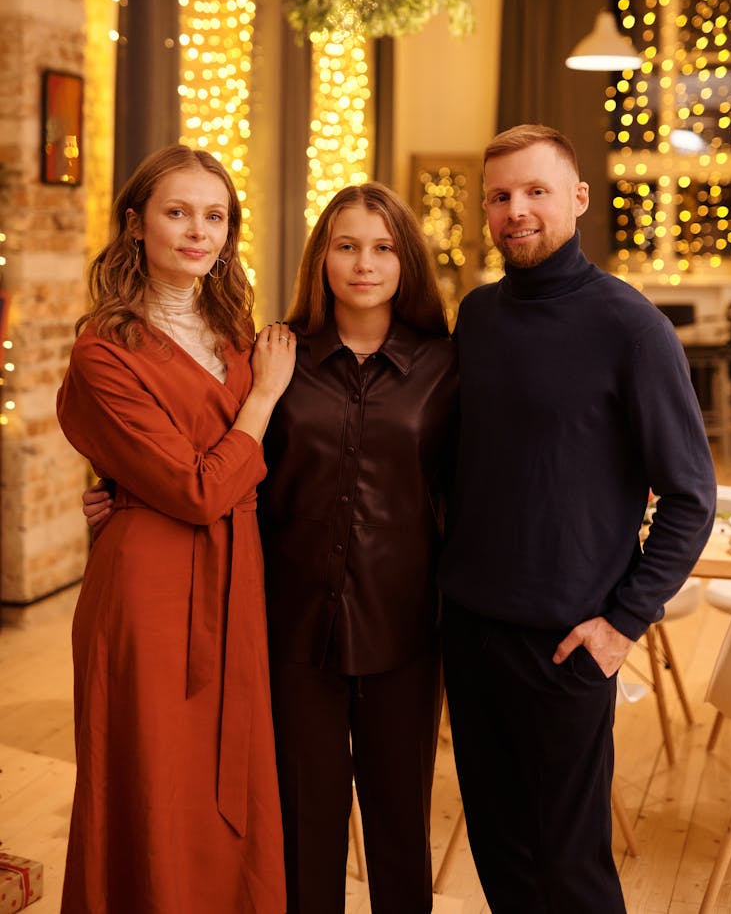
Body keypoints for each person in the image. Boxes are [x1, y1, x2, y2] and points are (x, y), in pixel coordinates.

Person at [83, 180, 458, 914]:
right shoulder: (269, 355)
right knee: (300, 831)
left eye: (382, 248)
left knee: (399, 830)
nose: (363, 264)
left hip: (404, 629)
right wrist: (117, 496)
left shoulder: (449, 367)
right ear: (321, 257)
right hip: (289, 628)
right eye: (346, 246)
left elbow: (474, 489)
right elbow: (209, 447)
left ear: (407, 260)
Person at [438, 124, 717, 913]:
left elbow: (691, 495)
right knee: (499, 854)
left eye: (536, 192)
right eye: (499, 196)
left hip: (566, 642)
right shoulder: (480, 317)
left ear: (578, 199)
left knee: (570, 869)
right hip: (468, 626)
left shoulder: (631, 328)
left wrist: (621, 624)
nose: (516, 210)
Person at [57, 144, 295, 914]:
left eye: (215, 215)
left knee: (234, 778)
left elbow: (213, 466)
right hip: (150, 593)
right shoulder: (103, 346)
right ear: (136, 224)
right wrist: (263, 401)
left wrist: (124, 484)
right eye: (177, 211)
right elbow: (196, 489)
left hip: (237, 579)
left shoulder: (233, 330)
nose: (199, 230)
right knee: (153, 783)